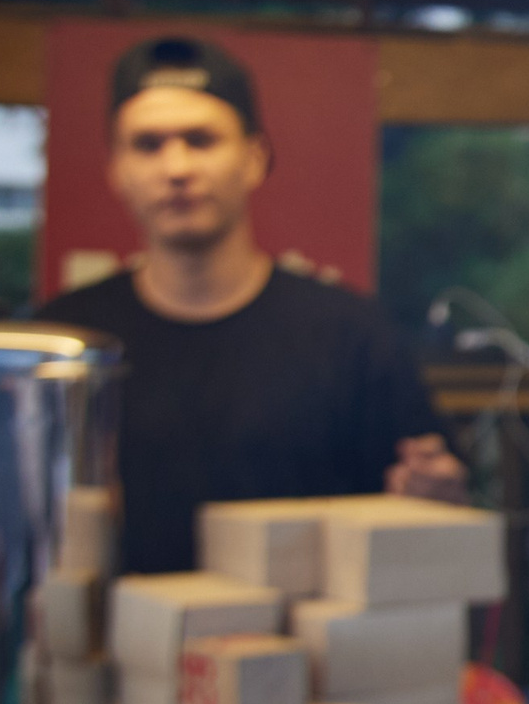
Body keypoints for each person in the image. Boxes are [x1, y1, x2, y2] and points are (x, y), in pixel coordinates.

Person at [40, 35, 465, 574]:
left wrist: (436, 496)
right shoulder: (69, 340)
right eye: (148, 145)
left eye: (201, 140)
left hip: (303, 653)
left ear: (255, 158)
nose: (176, 167)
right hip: (117, 649)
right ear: (116, 170)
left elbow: (429, 510)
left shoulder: (351, 333)